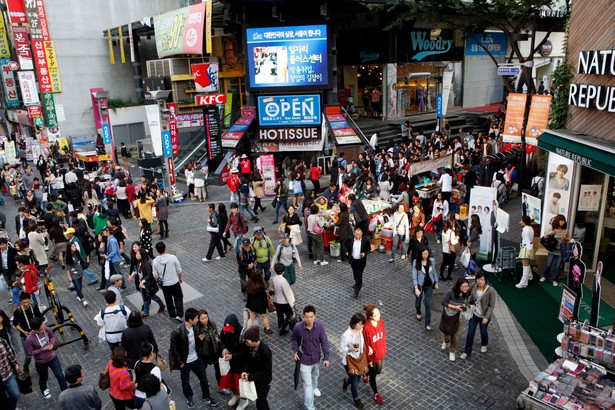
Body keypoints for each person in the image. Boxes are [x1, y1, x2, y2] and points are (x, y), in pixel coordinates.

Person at [169, 308, 219, 409]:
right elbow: (173, 349)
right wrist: (180, 362)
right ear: (190, 320)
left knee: (204, 379)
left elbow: (197, 343)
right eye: (196, 318)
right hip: (185, 362)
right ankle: (189, 397)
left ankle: (207, 396)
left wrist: (200, 340)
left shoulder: (196, 328)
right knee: (185, 382)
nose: (197, 320)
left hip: (196, 358)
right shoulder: (177, 331)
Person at [290, 305, 331, 410]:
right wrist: (295, 351)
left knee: (315, 376)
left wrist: (326, 358)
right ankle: (309, 406)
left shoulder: (320, 327)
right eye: (307, 317)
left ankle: (315, 387)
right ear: (303, 317)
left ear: (315, 316)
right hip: (304, 361)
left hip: (316, 359)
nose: (309, 319)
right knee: (307, 385)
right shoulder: (298, 327)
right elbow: (293, 339)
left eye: (311, 317)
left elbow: (325, 342)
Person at [26, 317, 68, 398]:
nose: (44, 325)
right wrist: (43, 349)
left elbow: (52, 336)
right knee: (44, 377)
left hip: (52, 357)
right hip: (41, 361)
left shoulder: (46, 329)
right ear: (37, 328)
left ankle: (65, 391)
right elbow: (30, 352)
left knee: (60, 375)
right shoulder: (29, 339)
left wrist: (51, 344)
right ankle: (43, 389)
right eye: (42, 324)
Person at [460, 271, 496, 359]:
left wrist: (486, 317)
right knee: (470, 333)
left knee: (483, 331)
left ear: (485, 280)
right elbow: (469, 296)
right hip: (475, 314)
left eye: (482, 279)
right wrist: (466, 303)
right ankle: (467, 351)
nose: (480, 281)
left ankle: (484, 343)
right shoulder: (474, 286)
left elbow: (491, 306)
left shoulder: (490, 290)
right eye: (478, 279)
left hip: (484, 315)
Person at [12, 292, 44, 375]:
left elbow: (40, 317)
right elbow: (15, 324)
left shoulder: (34, 307)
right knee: (28, 356)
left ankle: (38, 367)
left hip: (36, 333)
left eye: (27, 301)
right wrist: (23, 332)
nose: (26, 304)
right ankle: (26, 366)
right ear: (20, 302)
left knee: (38, 352)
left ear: (30, 300)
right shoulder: (18, 312)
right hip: (25, 336)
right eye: (23, 302)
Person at [152, 241, 184, 322]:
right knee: (178, 297)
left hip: (164, 284)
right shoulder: (172, 257)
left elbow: (155, 275)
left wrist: (157, 283)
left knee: (168, 299)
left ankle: (172, 314)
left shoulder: (155, 261)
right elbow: (179, 269)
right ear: (165, 248)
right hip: (174, 282)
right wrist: (180, 277)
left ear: (157, 250)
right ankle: (179, 314)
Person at [439, 278, 470, 361]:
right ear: (459, 286)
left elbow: (466, 304)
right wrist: (455, 307)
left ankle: (452, 351)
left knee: (455, 337)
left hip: (457, 317)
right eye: (464, 286)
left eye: (467, 286)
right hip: (448, 316)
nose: (466, 288)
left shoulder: (466, 293)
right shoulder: (450, 292)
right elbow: (443, 302)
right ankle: (445, 341)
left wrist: (464, 306)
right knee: (446, 334)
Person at [340, 312, 366, 410]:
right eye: (359, 324)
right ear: (354, 323)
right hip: (350, 362)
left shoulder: (360, 330)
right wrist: (351, 349)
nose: (361, 326)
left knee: (358, 379)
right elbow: (342, 348)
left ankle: (346, 382)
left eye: (362, 324)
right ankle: (356, 399)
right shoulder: (346, 335)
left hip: (359, 359)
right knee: (355, 382)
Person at [362, 305, 386, 405]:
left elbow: (383, 336)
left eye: (379, 313)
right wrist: (370, 360)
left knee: (378, 371)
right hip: (372, 357)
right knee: (373, 375)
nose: (379, 316)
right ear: (371, 317)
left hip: (380, 353)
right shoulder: (366, 328)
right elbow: (366, 345)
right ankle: (376, 393)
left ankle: (365, 373)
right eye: (376, 315)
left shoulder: (381, 322)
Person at [131, 248, 165, 318]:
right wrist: (133, 273)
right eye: (136, 254)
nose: (136, 256)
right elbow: (139, 272)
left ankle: (162, 305)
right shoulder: (139, 262)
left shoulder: (147, 264)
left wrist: (142, 281)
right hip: (143, 285)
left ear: (142, 255)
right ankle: (146, 312)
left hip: (148, 285)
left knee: (153, 296)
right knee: (145, 298)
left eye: (138, 254)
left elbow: (149, 275)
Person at [219, 314, 244, 405]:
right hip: (229, 363)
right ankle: (236, 395)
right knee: (231, 382)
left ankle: (243, 400)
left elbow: (245, 352)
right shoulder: (225, 330)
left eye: (232, 329)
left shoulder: (242, 334)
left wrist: (233, 356)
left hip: (240, 364)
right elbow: (221, 340)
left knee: (240, 384)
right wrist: (224, 348)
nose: (230, 331)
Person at [412, 248, 439, 331]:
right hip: (420, 284)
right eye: (424, 254)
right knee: (418, 301)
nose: (425, 256)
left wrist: (436, 282)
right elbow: (414, 275)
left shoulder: (432, 261)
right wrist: (416, 287)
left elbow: (434, 272)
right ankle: (418, 311)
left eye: (426, 254)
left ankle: (427, 323)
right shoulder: (416, 262)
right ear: (421, 254)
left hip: (429, 285)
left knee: (428, 303)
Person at [133, 342, 164, 409]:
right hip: (149, 399)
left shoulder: (137, 363)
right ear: (151, 354)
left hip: (138, 396)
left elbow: (135, 380)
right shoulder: (155, 369)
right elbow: (159, 385)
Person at [540, 214, 569, 286]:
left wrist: (565, 239)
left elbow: (569, 240)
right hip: (552, 251)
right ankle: (545, 276)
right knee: (548, 264)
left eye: (564, 221)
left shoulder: (565, 231)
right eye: (561, 220)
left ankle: (554, 279)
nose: (563, 222)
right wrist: (549, 234)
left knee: (558, 266)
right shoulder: (552, 229)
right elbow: (544, 237)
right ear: (557, 221)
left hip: (560, 252)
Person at [194, 310, 220, 388]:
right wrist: (200, 340)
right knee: (203, 368)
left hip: (214, 351)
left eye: (206, 317)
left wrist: (217, 339)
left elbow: (217, 335)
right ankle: (202, 379)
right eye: (202, 319)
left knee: (218, 370)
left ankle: (221, 386)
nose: (205, 320)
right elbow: (195, 344)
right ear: (198, 319)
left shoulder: (212, 324)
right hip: (204, 353)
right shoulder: (197, 329)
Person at [271, 263, 296, 335]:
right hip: (284, 302)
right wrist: (292, 303)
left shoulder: (274, 278)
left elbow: (273, 289)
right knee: (289, 315)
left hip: (276, 300)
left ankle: (280, 326)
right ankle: (282, 328)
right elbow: (287, 293)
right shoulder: (284, 281)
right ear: (283, 271)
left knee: (279, 314)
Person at [345, 227, 370, 299]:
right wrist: (346, 251)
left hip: (361, 261)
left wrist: (364, 253)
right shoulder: (350, 238)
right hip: (353, 260)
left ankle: (356, 291)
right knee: (355, 273)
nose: (358, 236)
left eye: (359, 235)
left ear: (362, 234)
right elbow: (344, 244)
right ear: (354, 234)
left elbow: (368, 248)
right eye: (356, 235)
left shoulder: (365, 240)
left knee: (359, 275)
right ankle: (356, 282)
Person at [245, 270, 272, 334]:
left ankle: (247, 331)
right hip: (260, 305)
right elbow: (264, 297)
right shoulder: (260, 286)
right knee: (264, 317)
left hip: (250, 304)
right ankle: (267, 329)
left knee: (251, 318)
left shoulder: (249, 283)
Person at [65, 242, 89, 306]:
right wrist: (69, 276)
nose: (74, 248)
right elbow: (67, 267)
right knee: (77, 286)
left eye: (74, 246)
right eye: (72, 247)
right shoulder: (68, 256)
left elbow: (81, 259)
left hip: (80, 271)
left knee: (80, 286)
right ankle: (82, 298)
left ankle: (79, 295)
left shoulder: (77, 252)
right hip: (73, 273)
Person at [568, 241, 586, 321]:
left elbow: (581, 280)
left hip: (577, 288)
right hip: (570, 286)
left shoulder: (582, 265)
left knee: (575, 306)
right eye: (574, 249)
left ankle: (575, 318)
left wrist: (576, 279)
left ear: (579, 251)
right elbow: (569, 274)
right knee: (569, 304)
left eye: (576, 249)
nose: (575, 251)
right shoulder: (571, 260)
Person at [0, 337, 20, 410]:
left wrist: (16, 364)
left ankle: (12, 407)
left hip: (7, 373)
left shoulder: (2, 341)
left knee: (15, 394)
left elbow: (10, 353)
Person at [516, 215, 535, 288]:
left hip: (526, 248)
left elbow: (527, 240)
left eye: (521, 221)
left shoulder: (525, 230)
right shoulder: (530, 228)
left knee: (525, 265)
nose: (520, 222)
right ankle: (530, 275)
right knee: (525, 263)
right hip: (528, 247)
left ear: (524, 222)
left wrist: (528, 251)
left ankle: (524, 283)